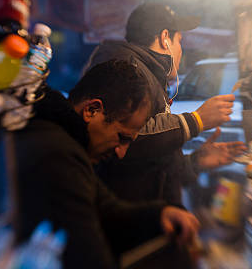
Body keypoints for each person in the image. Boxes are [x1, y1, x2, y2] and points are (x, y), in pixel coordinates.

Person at [13, 60, 200, 268]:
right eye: (122, 137)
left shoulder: (67, 145)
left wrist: (160, 214)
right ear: (92, 110)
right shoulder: (59, 156)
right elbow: (90, 260)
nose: (120, 153)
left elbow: (108, 209)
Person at [84, 2, 246, 205]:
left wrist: (195, 162)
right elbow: (127, 136)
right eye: (180, 41)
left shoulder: (148, 74)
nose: (182, 50)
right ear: (165, 39)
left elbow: (151, 163)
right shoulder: (127, 69)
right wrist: (196, 120)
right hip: (129, 216)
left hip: (153, 214)